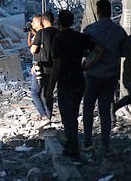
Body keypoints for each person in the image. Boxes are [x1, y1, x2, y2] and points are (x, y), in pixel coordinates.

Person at [47, 10, 104, 160]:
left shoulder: (58, 39)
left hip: (65, 82)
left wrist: (50, 88)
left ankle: (73, 149)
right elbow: (100, 51)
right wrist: (89, 66)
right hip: (79, 80)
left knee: (67, 117)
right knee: (73, 114)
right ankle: (71, 144)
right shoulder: (80, 37)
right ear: (72, 22)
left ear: (59, 22)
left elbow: (57, 65)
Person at [82, 0, 127, 153]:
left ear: (98, 12)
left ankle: (87, 140)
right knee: (105, 110)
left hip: (92, 76)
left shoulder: (90, 30)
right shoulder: (119, 31)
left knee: (88, 108)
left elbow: (84, 52)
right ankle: (105, 143)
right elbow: (124, 52)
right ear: (110, 12)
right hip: (110, 77)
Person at [31, 11, 58, 123]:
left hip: (42, 68)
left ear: (43, 21)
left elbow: (33, 50)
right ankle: (48, 116)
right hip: (56, 67)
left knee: (35, 92)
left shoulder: (41, 33)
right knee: (48, 93)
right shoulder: (58, 32)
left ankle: (44, 116)